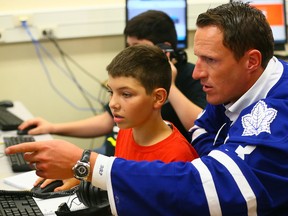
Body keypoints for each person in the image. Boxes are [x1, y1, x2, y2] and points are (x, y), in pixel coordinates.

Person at [10, 2, 288, 214]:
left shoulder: (278, 109)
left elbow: (211, 188)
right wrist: (215, 159)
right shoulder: (237, 88)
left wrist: (87, 165)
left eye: (211, 60)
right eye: (198, 58)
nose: (196, 72)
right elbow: (203, 128)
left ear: (251, 61)